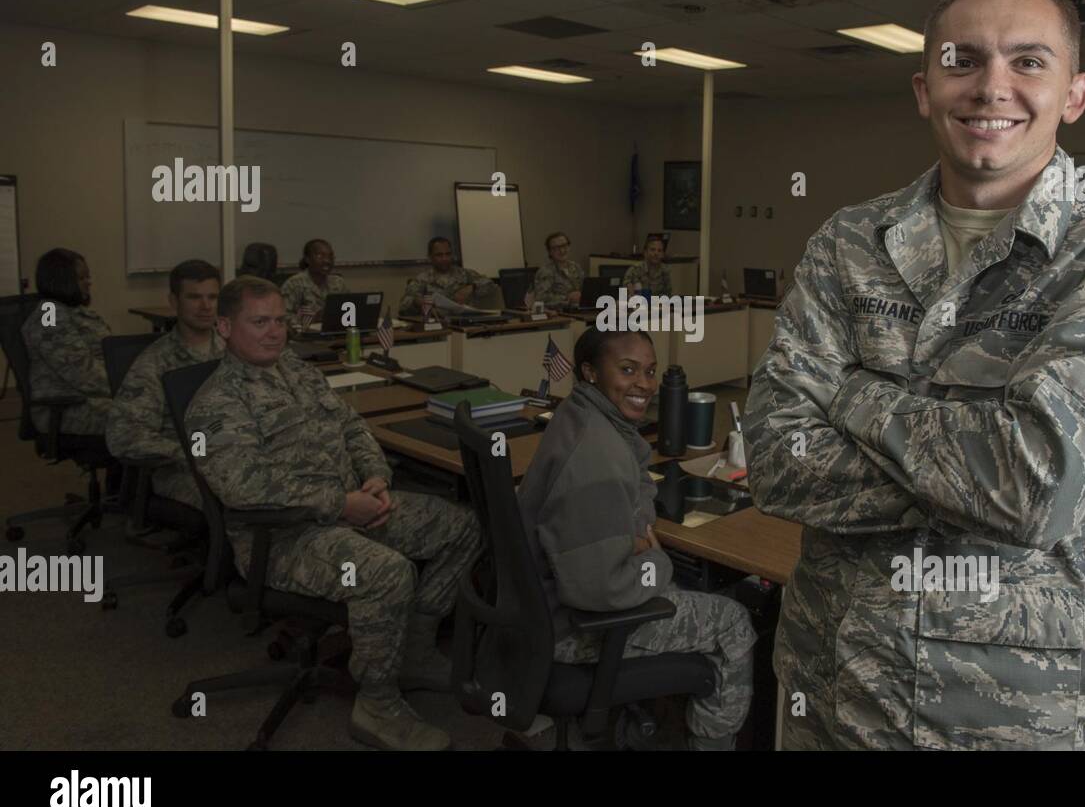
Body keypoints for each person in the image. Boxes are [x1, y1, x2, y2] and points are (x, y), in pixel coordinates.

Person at [744, 0, 1085, 750]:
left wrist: (852, 395)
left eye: (1028, 62)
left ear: (1075, 94)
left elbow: (1036, 486)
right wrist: (970, 472)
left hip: (1006, 712)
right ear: (925, 88)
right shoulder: (849, 241)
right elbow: (778, 462)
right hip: (827, 680)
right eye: (964, 60)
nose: (992, 87)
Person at [186, 277, 482, 751]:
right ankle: (377, 705)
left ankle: (415, 650)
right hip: (285, 539)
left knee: (464, 526)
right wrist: (342, 503)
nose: (274, 332)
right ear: (224, 327)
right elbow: (243, 488)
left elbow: (351, 426)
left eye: (280, 320)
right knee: (386, 573)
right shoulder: (216, 403)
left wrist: (376, 477)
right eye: (259, 322)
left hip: (354, 506)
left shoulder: (297, 371)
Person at [517, 326, 756, 749]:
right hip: (577, 629)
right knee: (733, 621)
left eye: (649, 371)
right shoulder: (598, 460)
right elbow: (603, 589)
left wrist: (639, 543)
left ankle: (643, 721)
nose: (644, 384)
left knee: (690, 588)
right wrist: (656, 561)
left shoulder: (578, 415)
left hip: (540, 608)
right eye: (627, 370)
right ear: (590, 372)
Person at [106, 259, 223, 512]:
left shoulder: (234, 350)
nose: (205, 306)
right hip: (183, 470)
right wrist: (193, 453)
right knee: (242, 497)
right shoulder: (155, 363)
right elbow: (125, 435)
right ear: (174, 301)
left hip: (239, 455)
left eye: (212, 297)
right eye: (194, 297)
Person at [21, 248, 113, 436]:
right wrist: (129, 385)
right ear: (62, 281)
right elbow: (83, 374)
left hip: (95, 398)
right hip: (67, 407)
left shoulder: (75, 311)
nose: (89, 282)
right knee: (144, 417)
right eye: (81, 278)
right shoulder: (49, 317)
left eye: (88, 276)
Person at [399, 236, 497, 313]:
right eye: (439, 255)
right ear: (430, 257)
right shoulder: (422, 279)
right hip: (437, 328)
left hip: (465, 325)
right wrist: (417, 302)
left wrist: (472, 287)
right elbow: (403, 307)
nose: (444, 258)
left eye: (448, 254)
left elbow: (491, 285)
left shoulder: (465, 274)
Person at [280, 239, 345, 321]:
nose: (327, 261)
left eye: (330, 256)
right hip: (305, 331)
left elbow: (350, 311)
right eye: (320, 256)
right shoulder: (293, 284)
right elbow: (281, 317)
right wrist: (303, 319)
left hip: (333, 330)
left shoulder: (338, 283)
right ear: (307, 259)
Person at [524, 232, 583, 309]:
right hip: (559, 313)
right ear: (550, 252)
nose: (562, 251)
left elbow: (585, 289)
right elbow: (541, 298)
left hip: (579, 309)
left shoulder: (576, 267)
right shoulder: (546, 271)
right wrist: (567, 297)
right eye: (556, 248)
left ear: (569, 247)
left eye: (564, 246)